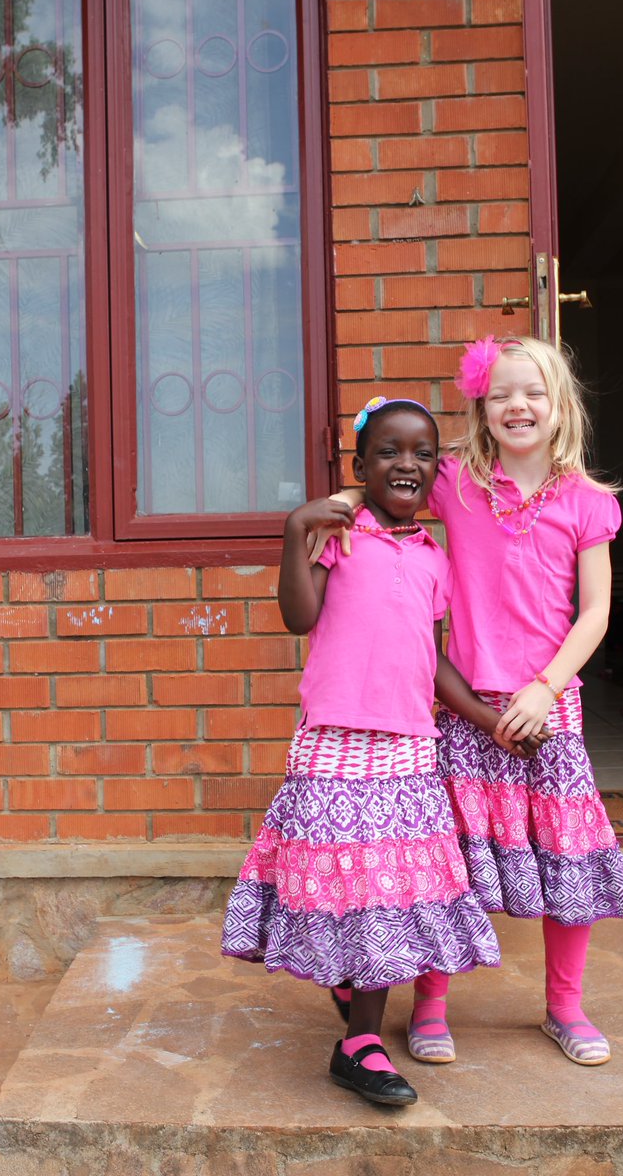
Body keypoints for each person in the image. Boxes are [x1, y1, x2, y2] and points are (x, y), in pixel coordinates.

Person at [316, 337, 623, 1067]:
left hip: (547, 706)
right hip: (464, 704)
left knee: (567, 855)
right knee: (446, 859)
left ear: (560, 407)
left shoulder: (588, 503)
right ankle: (430, 1006)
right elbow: (387, 481)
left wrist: (546, 687)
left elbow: (594, 612)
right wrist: (340, 501)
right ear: (482, 410)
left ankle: (564, 1006)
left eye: (533, 392)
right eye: (500, 395)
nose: (517, 405)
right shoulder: (456, 482)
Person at [222, 397, 506, 1108]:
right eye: (388, 451)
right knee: (342, 884)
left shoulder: (434, 559)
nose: (406, 463)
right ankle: (354, 994)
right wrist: (296, 531)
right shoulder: (337, 537)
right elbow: (298, 616)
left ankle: (360, 1045)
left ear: (436, 472)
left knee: (384, 891)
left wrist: (486, 718)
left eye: (422, 453)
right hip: (334, 742)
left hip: (407, 747)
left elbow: (432, 660)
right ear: (359, 466)